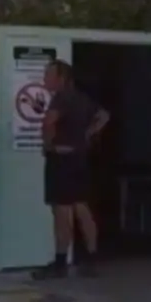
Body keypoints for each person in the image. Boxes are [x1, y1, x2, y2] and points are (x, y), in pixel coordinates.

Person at [31, 59, 110, 280]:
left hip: (61, 159)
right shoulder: (82, 98)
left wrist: (48, 145)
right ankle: (91, 260)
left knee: (61, 212)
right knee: (81, 207)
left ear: (61, 78)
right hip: (79, 159)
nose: (45, 79)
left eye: (49, 75)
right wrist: (88, 134)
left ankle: (60, 263)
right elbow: (104, 116)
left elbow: (48, 123)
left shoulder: (61, 98)